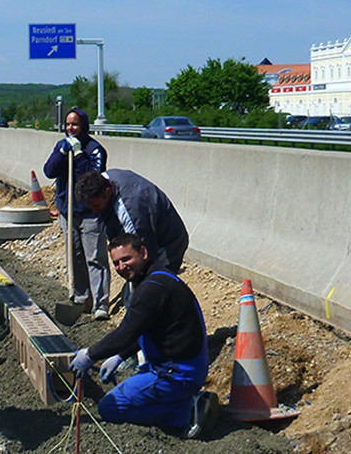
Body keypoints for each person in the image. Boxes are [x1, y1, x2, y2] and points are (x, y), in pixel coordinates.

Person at [70, 234, 219, 438]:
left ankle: (188, 412)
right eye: (116, 263)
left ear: (143, 253)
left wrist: (89, 355)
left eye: (127, 259)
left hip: (176, 373)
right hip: (180, 366)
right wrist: (120, 356)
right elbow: (144, 329)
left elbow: (126, 332)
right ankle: (186, 400)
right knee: (125, 395)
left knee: (110, 408)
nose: (122, 266)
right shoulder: (159, 278)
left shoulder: (151, 289)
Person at [73, 169, 189, 308]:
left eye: (97, 206)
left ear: (108, 192)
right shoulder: (104, 179)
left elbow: (141, 259)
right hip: (146, 231)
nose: (94, 211)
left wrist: (136, 296)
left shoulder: (131, 211)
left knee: (151, 290)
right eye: (90, 207)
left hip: (167, 242)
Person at [42, 107, 111, 319]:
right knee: (75, 255)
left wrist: (80, 154)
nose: (71, 128)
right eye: (68, 124)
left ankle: (101, 303)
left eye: (75, 124)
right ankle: (81, 298)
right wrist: (62, 153)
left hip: (90, 213)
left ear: (84, 126)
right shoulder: (61, 146)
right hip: (68, 211)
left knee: (95, 257)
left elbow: (92, 178)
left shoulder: (95, 150)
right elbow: (49, 171)